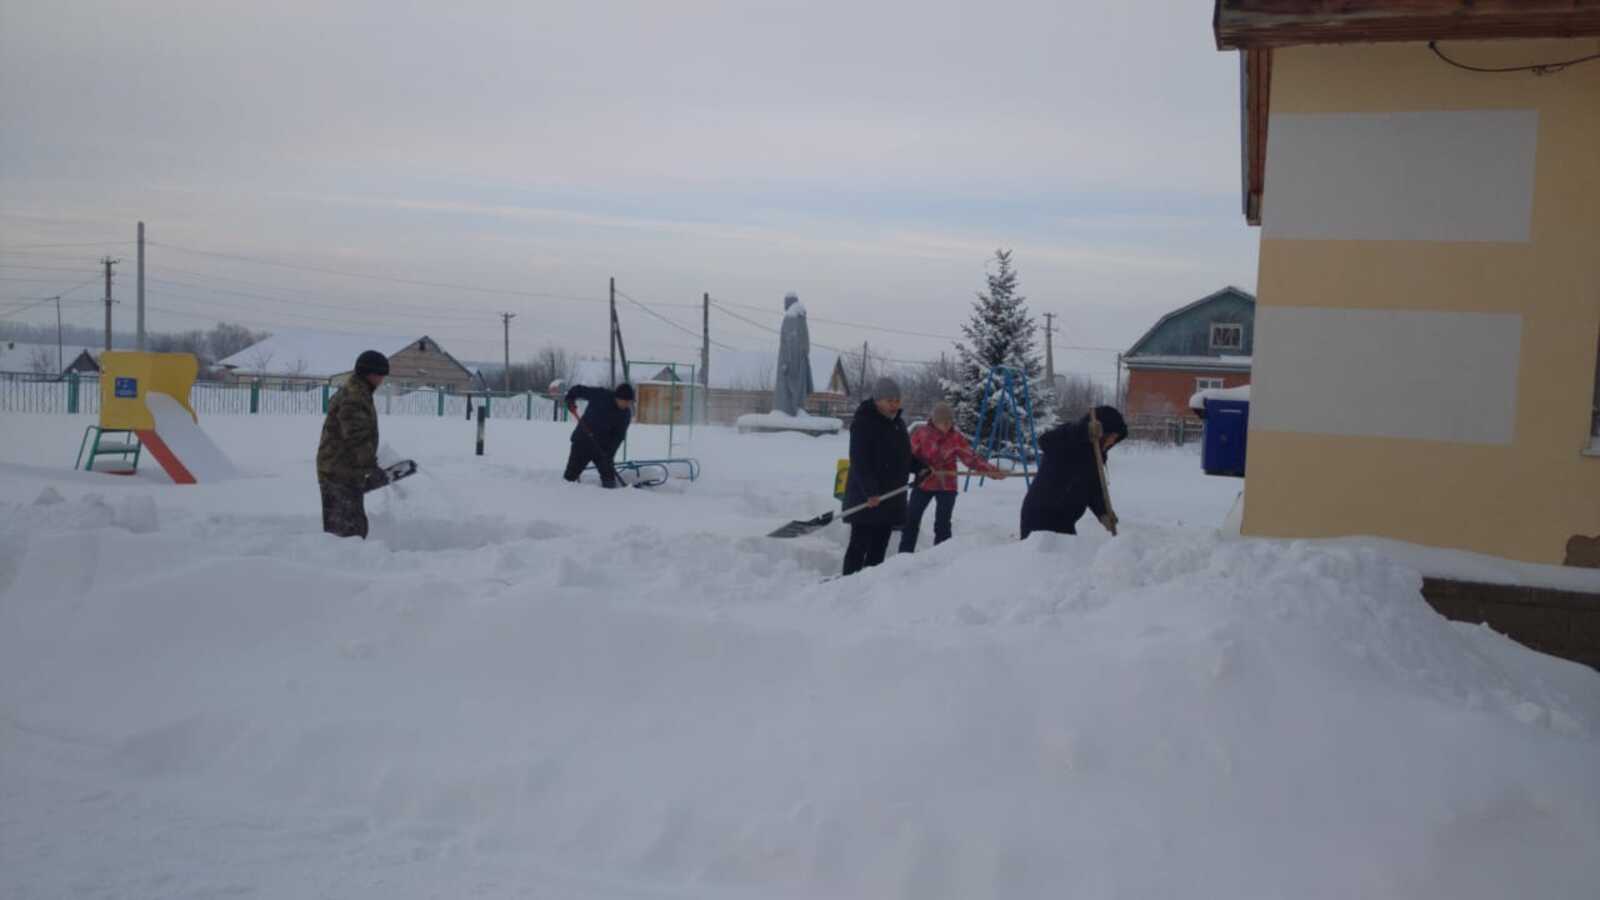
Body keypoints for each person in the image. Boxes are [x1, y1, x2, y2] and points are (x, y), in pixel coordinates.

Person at [899, 401, 1005, 553]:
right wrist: (920, 468)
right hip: (924, 482)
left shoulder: (956, 437)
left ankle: (941, 556)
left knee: (942, 523)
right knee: (911, 519)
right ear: (935, 421)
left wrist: (991, 471)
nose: (947, 425)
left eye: (949, 422)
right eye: (943, 422)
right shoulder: (922, 434)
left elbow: (970, 458)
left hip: (947, 485)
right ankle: (904, 556)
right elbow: (907, 456)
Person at [1019, 406, 1128, 540]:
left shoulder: (1096, 456)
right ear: (1102, 432)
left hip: (1066, 520)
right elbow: (1045, 440)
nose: (1112, 441)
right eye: (1111, 436)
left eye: (1115, 438)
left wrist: (1103, 512)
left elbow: (1093, 488)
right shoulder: (1070, 439)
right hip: (1039, 517)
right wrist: (1084, 431)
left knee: (1067, 553)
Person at [841, 377, 914, 576]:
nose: (894, 405)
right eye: (889, 401)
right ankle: (848, 583)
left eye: (897, 400)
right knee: (859, 544)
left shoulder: (898, 424)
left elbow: (905, 456)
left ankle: (871, 586)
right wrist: (870, 491)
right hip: (868, 497)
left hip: (890, 497)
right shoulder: (864, 422)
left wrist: (921, 468)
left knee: (879, 546)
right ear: (877, 400)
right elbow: (860, 460)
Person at [316, 350, 389, 539]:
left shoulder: (358, 392)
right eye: (380, 375)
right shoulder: (355, 397)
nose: (382, 380)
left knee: (348, 527)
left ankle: (343, 555)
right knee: (348, 532)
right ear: (368, 373)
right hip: (338, 471)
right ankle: (342, 558)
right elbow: (356, 436)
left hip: (342, 468)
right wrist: (370, 467)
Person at [563, 382, 634, 488]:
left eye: (629, 402)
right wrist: (570, 399)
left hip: (603, 449)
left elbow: (618, 437)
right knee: (570, 477)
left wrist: (609, 454)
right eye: (625, 401)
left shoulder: (625, 414)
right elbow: (577, 390)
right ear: (617, 397)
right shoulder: (600, 395)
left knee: (609, 480)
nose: (627, 405)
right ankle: (566, 494)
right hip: (582, 442)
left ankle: (609, 496)